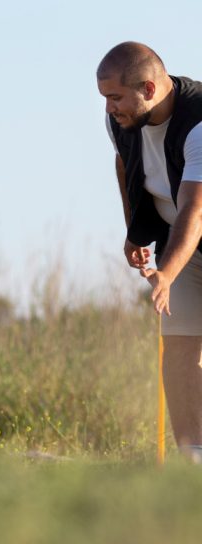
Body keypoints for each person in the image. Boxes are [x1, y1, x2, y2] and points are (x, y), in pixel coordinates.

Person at [97, 41, 202, 462]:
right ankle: (193, 461)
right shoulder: (119, 121)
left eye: (116, 97)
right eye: (104, 98)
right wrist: (134, 232)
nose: (109, 109)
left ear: (148, 87)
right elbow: (125, 164)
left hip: (189, 233)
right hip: (182, 247)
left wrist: (166, 275)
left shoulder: (198, 123)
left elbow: (195, 211)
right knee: (178, 346)